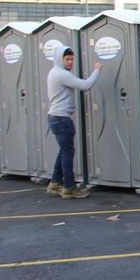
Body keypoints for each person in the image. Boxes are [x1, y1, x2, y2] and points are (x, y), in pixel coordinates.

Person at [46, 46, 101, 199]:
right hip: (62, 119)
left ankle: (55, 183)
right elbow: (85, 85)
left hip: (55, 118)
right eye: (67, 59)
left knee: (64, 151)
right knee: (68, 153)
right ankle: (69, 187)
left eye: (71, 59)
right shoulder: (61, 74)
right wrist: (97, 70)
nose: (70, 62)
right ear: (59, 59)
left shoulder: (54, 72)